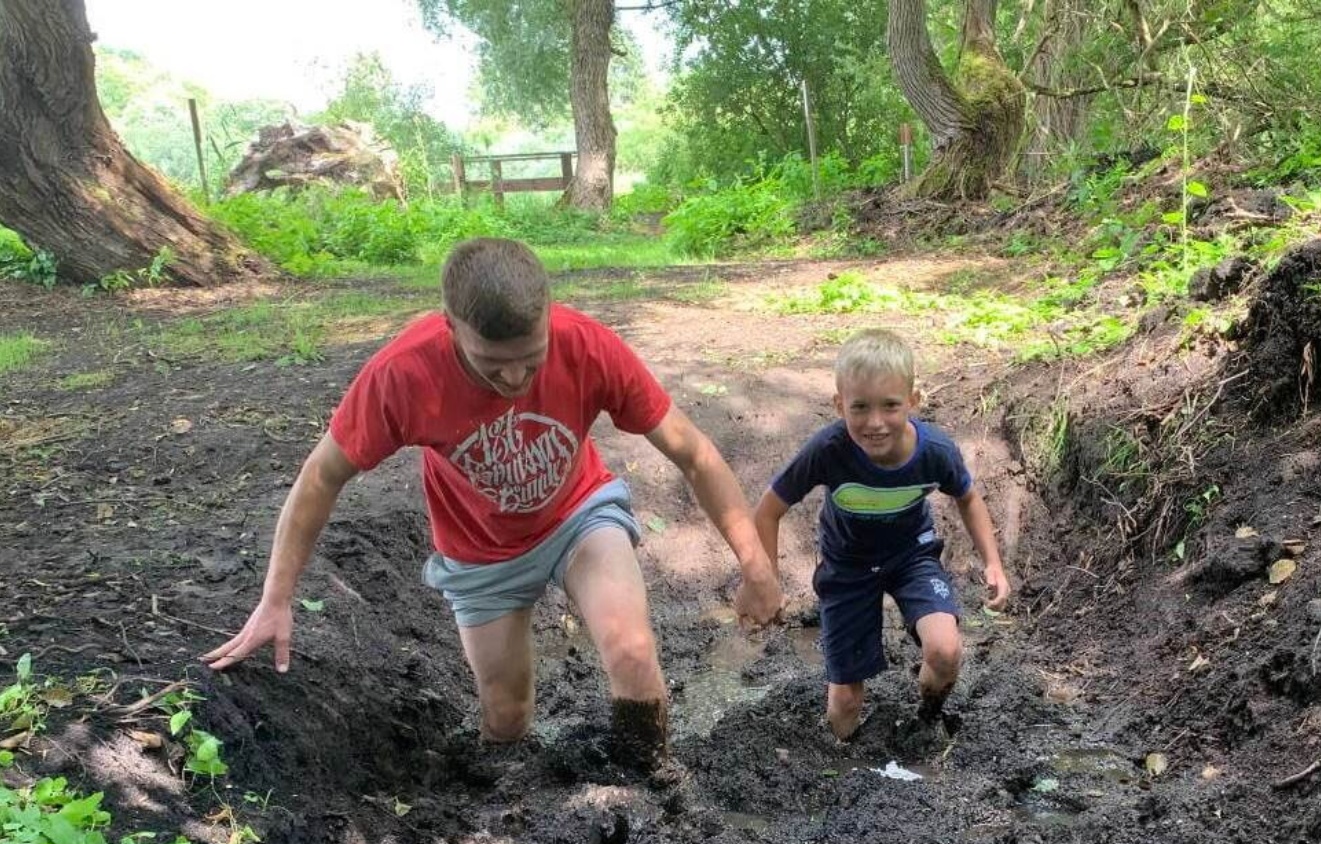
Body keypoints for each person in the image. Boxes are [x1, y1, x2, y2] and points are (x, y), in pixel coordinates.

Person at [203, 237, 782, 772]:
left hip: (579, 517)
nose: (514, 377)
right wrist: (275, 600)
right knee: (506, 718)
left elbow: (694, 454)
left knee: (631, 652)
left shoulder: (587, 345)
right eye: (492, 363)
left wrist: (755, 566)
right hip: (479, 552)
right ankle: (509, 803)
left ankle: (651, 790)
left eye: (530, 358)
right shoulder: (402, 375)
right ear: (450, 326)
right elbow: (319, 478)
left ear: (549, 316)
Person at [753, 328, 1010, 740]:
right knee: (845, 704)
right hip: (847, 566)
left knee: (945, 651)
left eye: (890, 406)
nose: (875, 423)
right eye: (860, 408)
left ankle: (926, 721)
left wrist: (993, 563)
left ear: (913, 400)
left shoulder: (934, 452)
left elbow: (968, 498)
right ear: (839, 405)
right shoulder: (828, 450)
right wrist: (766, 580)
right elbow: (767, 511)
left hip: (912, 555)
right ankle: (846, 763)